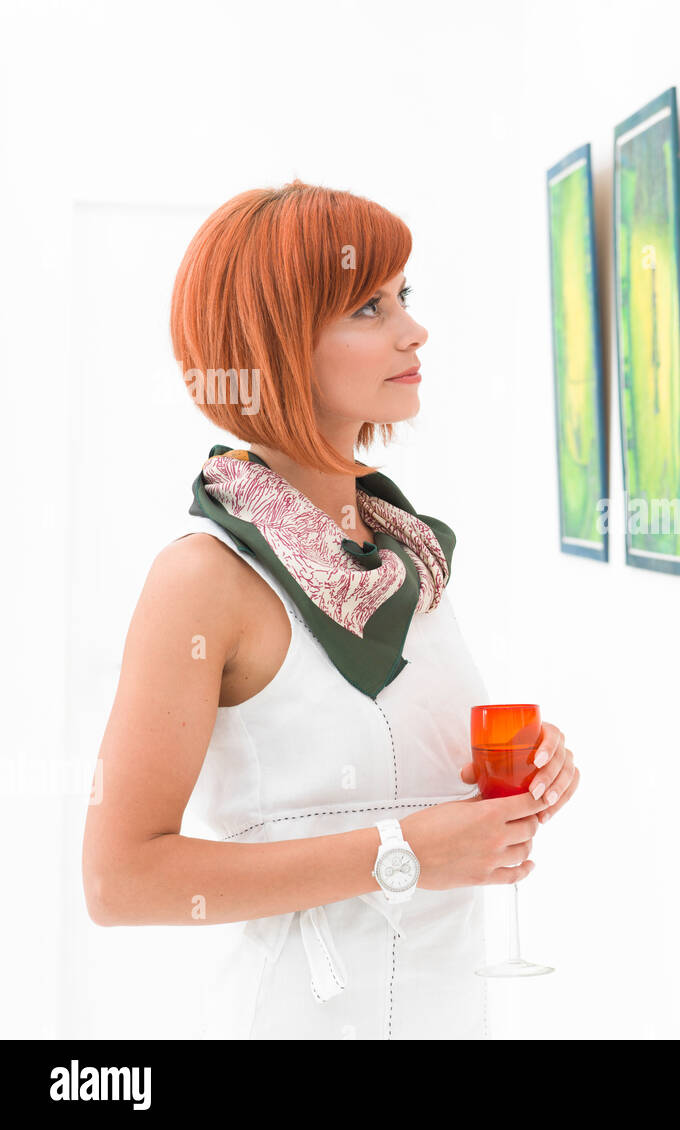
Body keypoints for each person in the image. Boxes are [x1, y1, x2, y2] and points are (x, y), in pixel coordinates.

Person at [80, 180, 579, 1039]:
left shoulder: (407, 561)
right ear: (273, 346)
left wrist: (530, 768)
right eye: (367, 306)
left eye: (404, 297)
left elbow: (417, 783)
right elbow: (118, 883)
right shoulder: (203, 580)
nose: (413, 329)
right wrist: (406, 855)